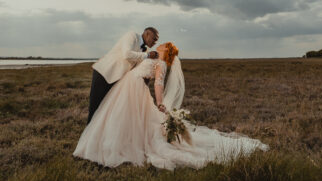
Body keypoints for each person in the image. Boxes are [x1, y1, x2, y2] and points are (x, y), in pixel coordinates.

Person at [74, 42, 269, 170]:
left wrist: (159, 103)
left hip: (134, 88)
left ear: (166, 51)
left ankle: (121, 145)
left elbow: (158, 84)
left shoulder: (162, 64)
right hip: (129, 86)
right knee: (119, 116)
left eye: (163, 45)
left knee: (128, 117)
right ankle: (111, 142)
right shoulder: (152, 57)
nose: (159, 45)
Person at [87, 27, 159, 123]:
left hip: (117, 80)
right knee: (95, 107)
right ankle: (88, 135)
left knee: (106, 109)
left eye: (156, 41)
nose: (155, 42)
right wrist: (148, 55)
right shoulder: (132, 35)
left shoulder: (144, 51)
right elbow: (127, 54)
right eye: (154, 39)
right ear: (147, 34)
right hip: (104, 73)